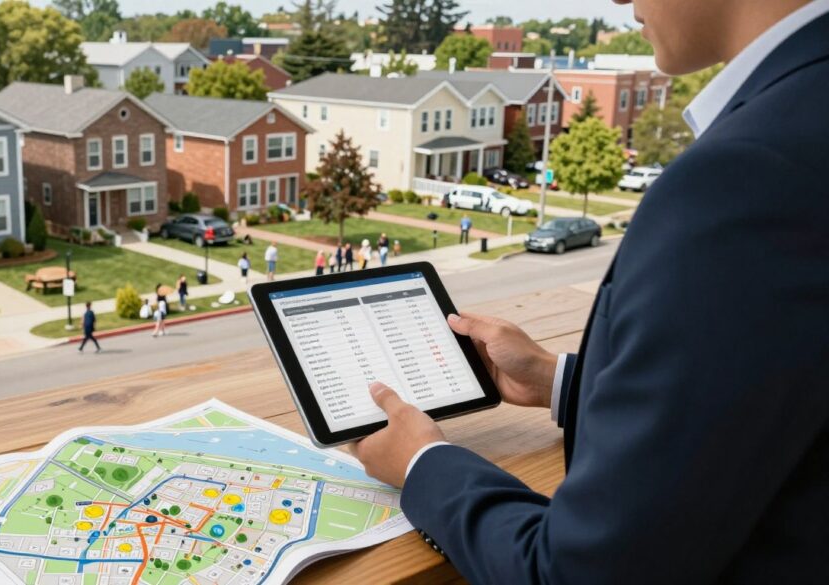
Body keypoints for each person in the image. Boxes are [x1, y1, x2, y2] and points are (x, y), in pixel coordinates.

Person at [351, 0, 829, 582]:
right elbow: (768, 395)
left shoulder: (748, 174)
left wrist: (425, 464)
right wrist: (563, 382)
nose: (619, 1)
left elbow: (582, 573)